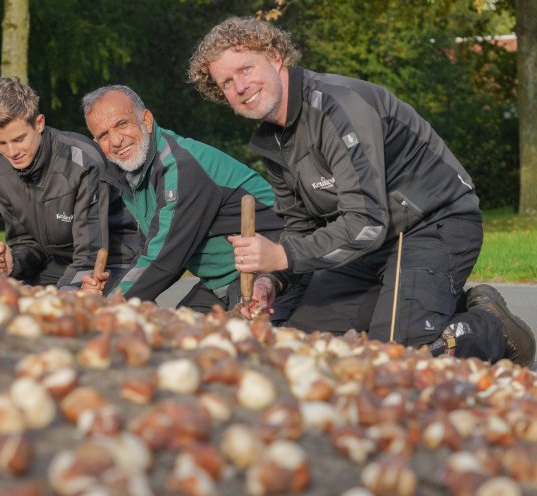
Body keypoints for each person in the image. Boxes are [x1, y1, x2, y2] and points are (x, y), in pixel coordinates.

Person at [187, 17, 535, 366]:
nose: (240, 86)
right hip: (363, 243)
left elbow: (367, 220)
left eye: (246, 69)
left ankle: (489, 324)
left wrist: (279, 256)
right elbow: (300, 230)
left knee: (398, 358)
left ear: (276, 57)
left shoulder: (338, 107)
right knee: (311, 349)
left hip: (430, 225)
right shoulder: (272, 141)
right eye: (227, 83)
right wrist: (271, 281)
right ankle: (431, 303)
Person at [80, 85, 301, 316]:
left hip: (271, 269)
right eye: (103, 135)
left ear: (145, 120)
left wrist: (103, 306)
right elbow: (152, 251)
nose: (116, 140)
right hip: (219, 280)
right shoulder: (131, 177)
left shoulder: (180, 167)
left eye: (122, 124)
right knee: (179, 329)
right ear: (98, 145)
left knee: (239, 342)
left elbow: (164, 258)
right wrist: (110, 288)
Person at [0, 77, 141, 292]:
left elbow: (90, 255)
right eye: (1, 143)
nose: (11, 152)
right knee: (8, 306)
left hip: (111, 260)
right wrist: (13, 264)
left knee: (77, 316)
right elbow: (26, 243)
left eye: (19, 139)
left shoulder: (83, 162)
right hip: (57, 263)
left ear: (39, 123)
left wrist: (62, 298)